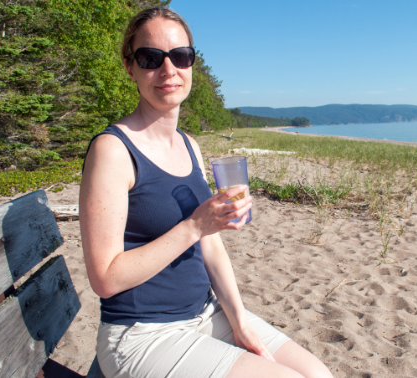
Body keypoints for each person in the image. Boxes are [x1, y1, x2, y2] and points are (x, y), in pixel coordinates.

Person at [79, 7, 333, 378]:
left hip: (205, 314)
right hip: (143, 334)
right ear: (130, 66)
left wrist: (239, 318)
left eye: (180, 56)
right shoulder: (113, 150)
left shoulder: (189, 146)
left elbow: (210, 246)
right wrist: (195, 226)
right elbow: (105, 278)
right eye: (151, 58)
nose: (169, 70)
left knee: (317, 374)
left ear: (192, 64)